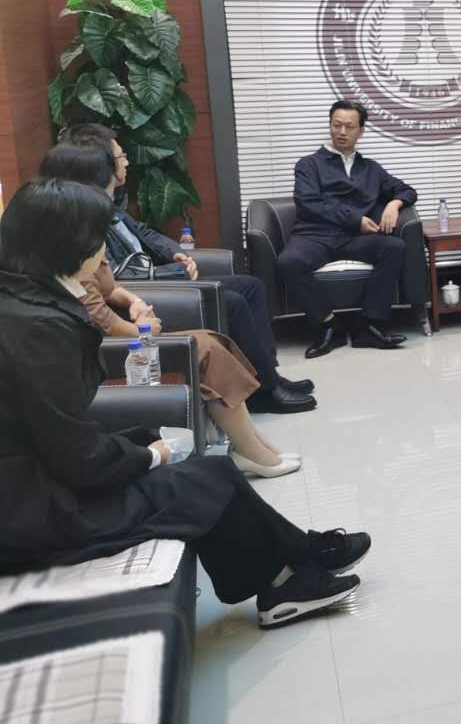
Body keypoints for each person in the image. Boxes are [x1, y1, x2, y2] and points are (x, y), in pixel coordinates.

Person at [0, 179, 369, 628]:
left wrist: (145, 448)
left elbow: (54, 428)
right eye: (96, 240)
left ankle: (296, 556)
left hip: (38, 477)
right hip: (33, 512)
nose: (102, 253)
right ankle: (286, 579)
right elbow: (77, 458)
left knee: (184, 454)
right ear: (65, 244)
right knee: (204, 477)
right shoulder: (39, 328)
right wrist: (147, 457)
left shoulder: (27, 300)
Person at [39, 144, 302, 479]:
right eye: (118, 159)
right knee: (207, 347)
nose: (125, 163)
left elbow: (107, 285)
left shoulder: (88, 224)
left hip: (125, 331)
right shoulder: (73, 240)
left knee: (212, 339)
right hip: (114, 350)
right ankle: (250, 448)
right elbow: (98, 316)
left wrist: (132, 301)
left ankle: (254, 443)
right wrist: (143, 328)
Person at [57, 125, 315, 414]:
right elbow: (114, 279)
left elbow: (144, 233)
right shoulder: (86, 218)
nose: (127, 162)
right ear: (102, 167)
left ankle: (269, 376)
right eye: (121, 157)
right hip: (145, 289)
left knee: (250, 286)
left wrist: (176, 253)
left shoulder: (111, 204)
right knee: (233, 302)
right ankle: (263, 392)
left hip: (149, 281)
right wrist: (166, 279)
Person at [278, 100, 417, 359]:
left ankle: (369, 326)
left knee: (394, 247)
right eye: (336, 125)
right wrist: (356, 220)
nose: (341, 132)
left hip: (353, 239)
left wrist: (394, 204)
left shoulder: (371, 169)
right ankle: (329, 325)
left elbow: (407, 190)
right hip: (314, 236)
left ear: (360, 131)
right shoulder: (308, 164)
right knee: (289, 262)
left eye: (349, 127)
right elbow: (309, 204)